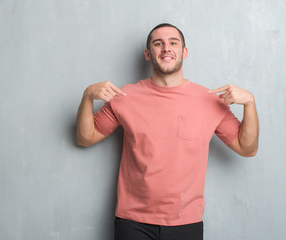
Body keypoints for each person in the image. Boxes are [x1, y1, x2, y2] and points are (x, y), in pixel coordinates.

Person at [75, 23, 259, 240]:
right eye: (158, 43)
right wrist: (87, 96)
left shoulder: (209, 100)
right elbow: (85, 138)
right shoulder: (125, 96)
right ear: (147, 53)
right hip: (133, 222)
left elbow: (247, 148)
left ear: (184, 52)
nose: (166, 48)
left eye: (173, 42)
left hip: (186, 223)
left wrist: (250, 104)